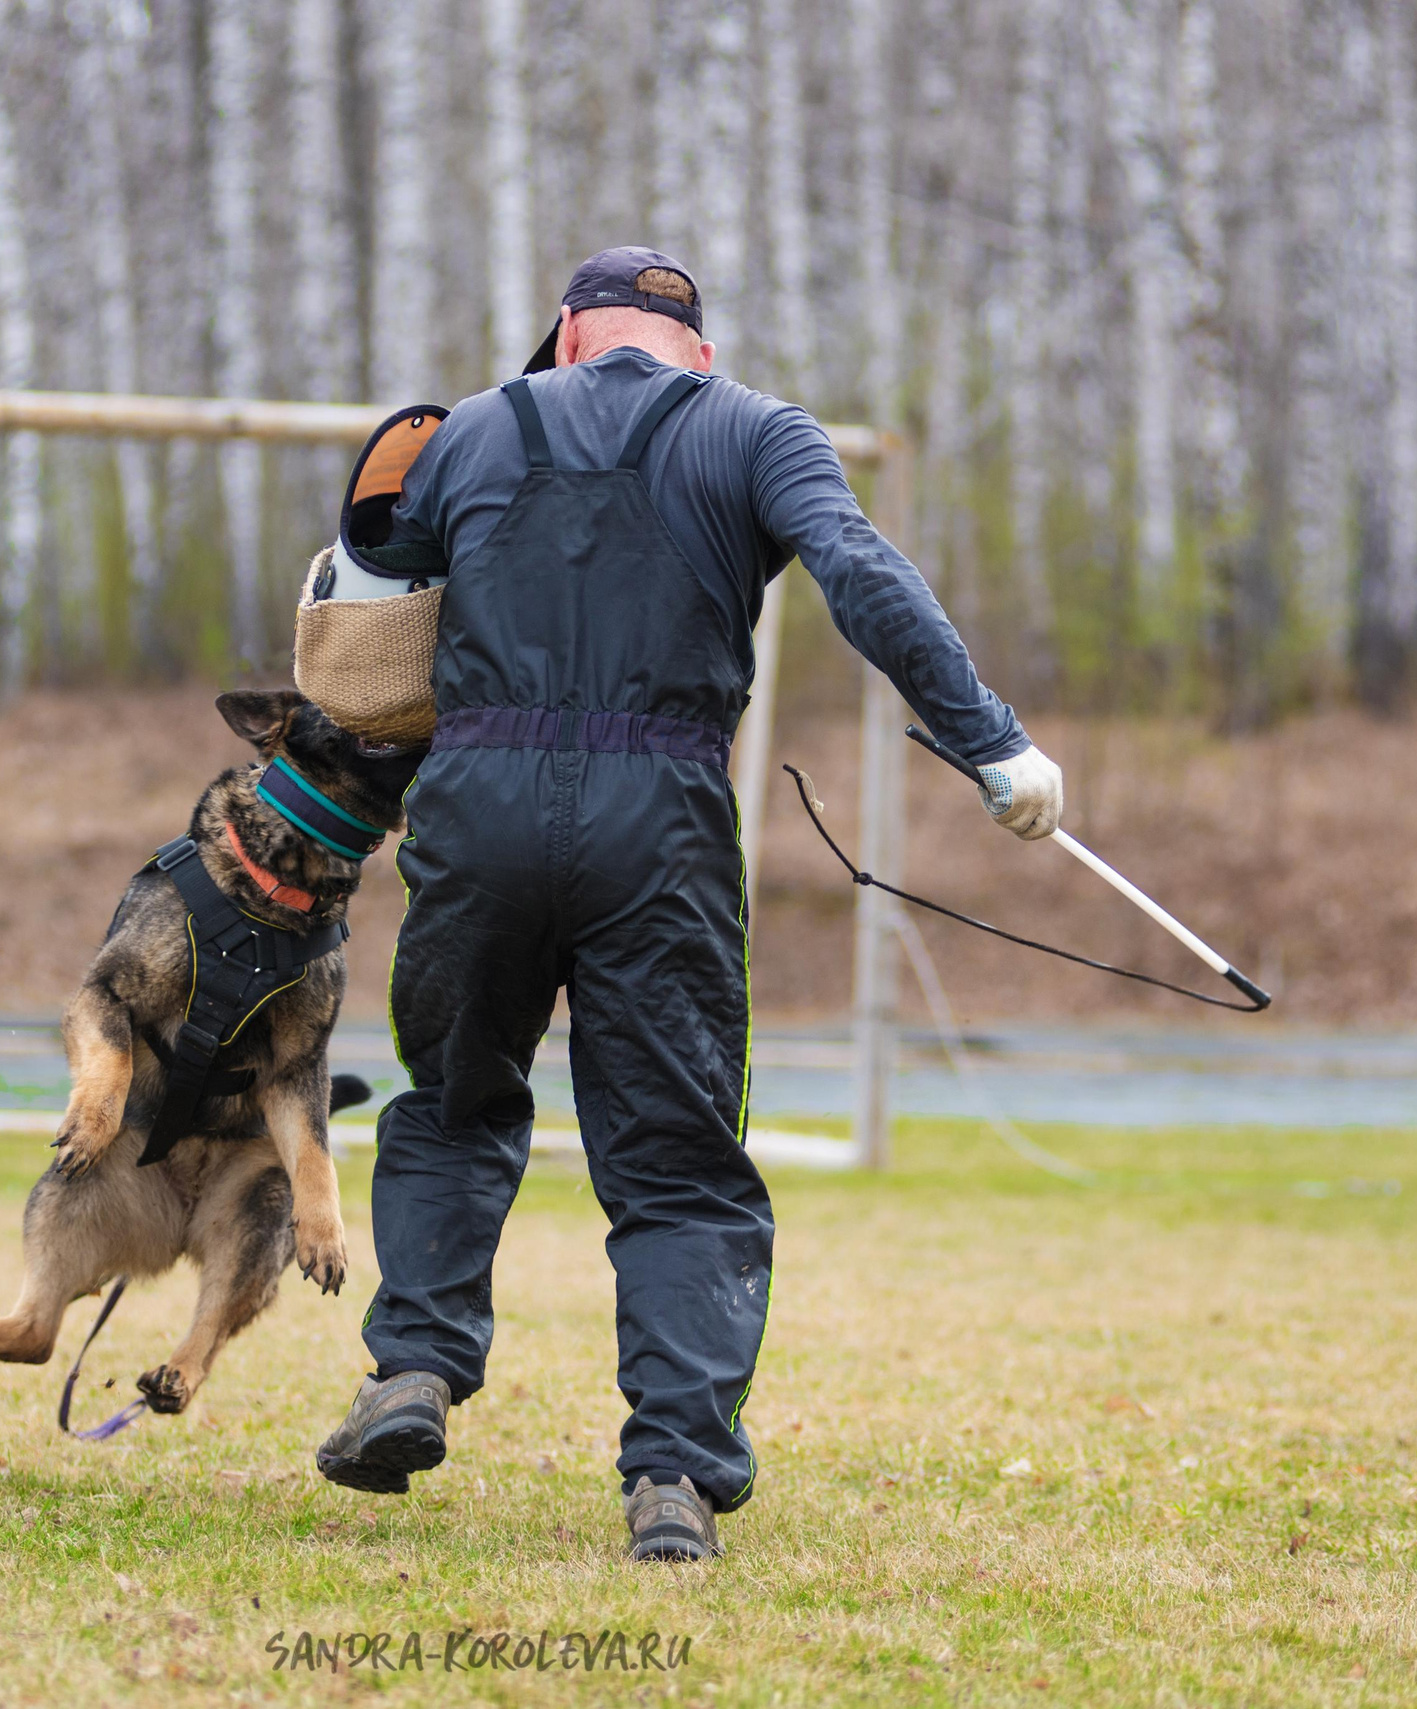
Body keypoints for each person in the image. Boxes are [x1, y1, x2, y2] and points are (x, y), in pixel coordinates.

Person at [311, 247, 1062, 1562]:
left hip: (479, 808)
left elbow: (375, 593)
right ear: (698, 353)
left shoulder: (472, 428)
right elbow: (861, 572)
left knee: (456, 1099)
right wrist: (991, 740)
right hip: (658, 819)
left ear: (566, 338)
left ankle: (414, 1369)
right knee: (677, 1157)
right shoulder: (759, 431)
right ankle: (672, 1475)